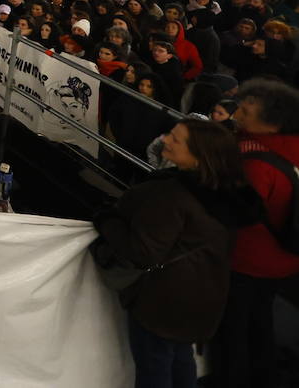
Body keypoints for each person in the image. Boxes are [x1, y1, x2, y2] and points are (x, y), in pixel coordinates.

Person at [95, 119, 263, 388]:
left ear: (199, 156)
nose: (165, 140)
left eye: (175, 139)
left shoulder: (173, 195)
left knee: (154, 367)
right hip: (204, 298)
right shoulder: (230, 192)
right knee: (181, 359)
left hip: (163, 302)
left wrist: (106, 221)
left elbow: (142, 251)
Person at [210, 79, 299, 388]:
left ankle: (232, 378)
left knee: (233, 328)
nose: (237, 115)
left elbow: (236, 212)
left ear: (273, 123)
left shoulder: (257, 161)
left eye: (247, 111)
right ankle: (264, 374)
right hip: (284, 258)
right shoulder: (292, 148)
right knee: (261, 318)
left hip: (248, 261)